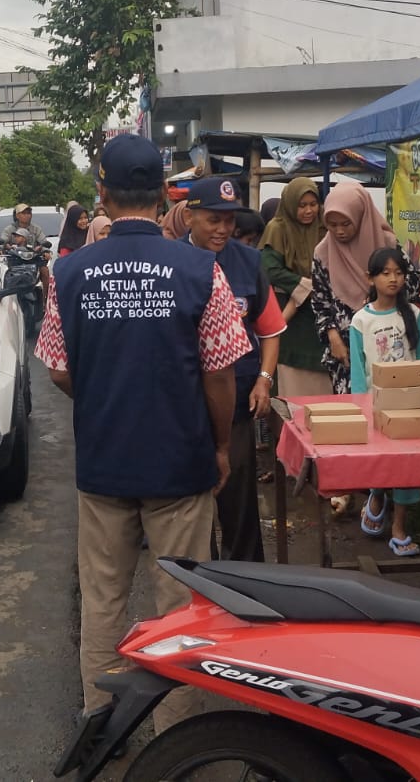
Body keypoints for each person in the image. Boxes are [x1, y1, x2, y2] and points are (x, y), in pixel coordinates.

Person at [35, 134, 250, 732]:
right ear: (163, 195)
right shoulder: (201, 271)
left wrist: (104, 396)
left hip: (104, 465)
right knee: (179, 606)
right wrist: (220, 446)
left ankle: (100, 724)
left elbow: (58, 370)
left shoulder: (68, 272)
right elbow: (220, 373)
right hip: (181, 464)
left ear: (102, 193)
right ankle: (173, 738)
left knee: (103, 600)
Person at [184, 176, 286, 562]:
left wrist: (264, 380)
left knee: (239, 499)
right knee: (190, 504)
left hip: (237, 401)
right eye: (214, 219)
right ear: (190, 217)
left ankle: (246, 582)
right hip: (185, 402)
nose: (223, 229)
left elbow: (270, 329)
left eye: (229, 220)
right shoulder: (170, 262)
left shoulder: (248, 261)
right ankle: (198, 580)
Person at [349, 246, 420, 557]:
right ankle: (377, 492)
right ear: (370, 278)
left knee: (407, 464)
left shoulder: (413, 315)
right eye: (385, 273)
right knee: (380, 460)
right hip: (376, 403)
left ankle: (399, 526)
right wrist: (362, 405)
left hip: (409, 404)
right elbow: (358, 369)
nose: (393, 279)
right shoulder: (361, 320)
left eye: (398, 273)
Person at [311, 184, 400, 394]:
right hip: (346, 352)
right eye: (332, 225)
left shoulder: (387, 244)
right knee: (354, 407)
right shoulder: (323, 253)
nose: (339, 231)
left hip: (390, 345)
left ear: (361, 216)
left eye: (346, 223)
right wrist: (333, 337)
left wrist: (380, 293)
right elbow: (320, 303)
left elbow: (411, 285)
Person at [259, 179, 329, 398]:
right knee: (291, 382)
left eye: (313, 204)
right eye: (302, 205)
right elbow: (270, 270)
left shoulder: (324, 225)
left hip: (321, 311)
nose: (309, 211)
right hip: (290, 314)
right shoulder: (277, 228)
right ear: (290, 205)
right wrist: (306, 285)